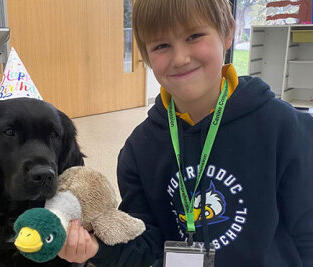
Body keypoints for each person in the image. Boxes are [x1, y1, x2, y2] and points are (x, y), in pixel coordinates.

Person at [58, 0, 313, 266]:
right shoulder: (138, 150)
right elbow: (145, 244)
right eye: (161, 45)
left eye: (194, 36)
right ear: (145, 55)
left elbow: (307, 232)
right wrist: (96, 248)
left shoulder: (284, 128)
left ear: (228, 33)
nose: (180, 58)